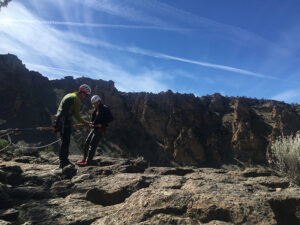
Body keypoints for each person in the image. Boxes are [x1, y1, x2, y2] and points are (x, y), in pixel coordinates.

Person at [54, 84, 92, 168]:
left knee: (64, 140)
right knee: (66, 141)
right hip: (65, 120)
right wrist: (86, 123)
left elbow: (61, 108)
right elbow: (77, 116)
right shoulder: (76, 99)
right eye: (86, 95)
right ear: (82, 92)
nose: (85, 97)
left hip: (59, 120)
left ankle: (63, 160)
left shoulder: (68, 95)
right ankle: (63, 161)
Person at [76, 95, 113, 166]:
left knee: (92, 145)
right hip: (95, 128)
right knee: (87, 143)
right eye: (93, 103)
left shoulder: (105, 108)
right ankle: (84, 159)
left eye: (94, 103)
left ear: (98, 102)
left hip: (101, 129)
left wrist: (102, 124)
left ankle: (88, 162)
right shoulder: (95, 110)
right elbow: (93, 121)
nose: (93, 105)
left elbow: (110, 118)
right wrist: (91, 124)